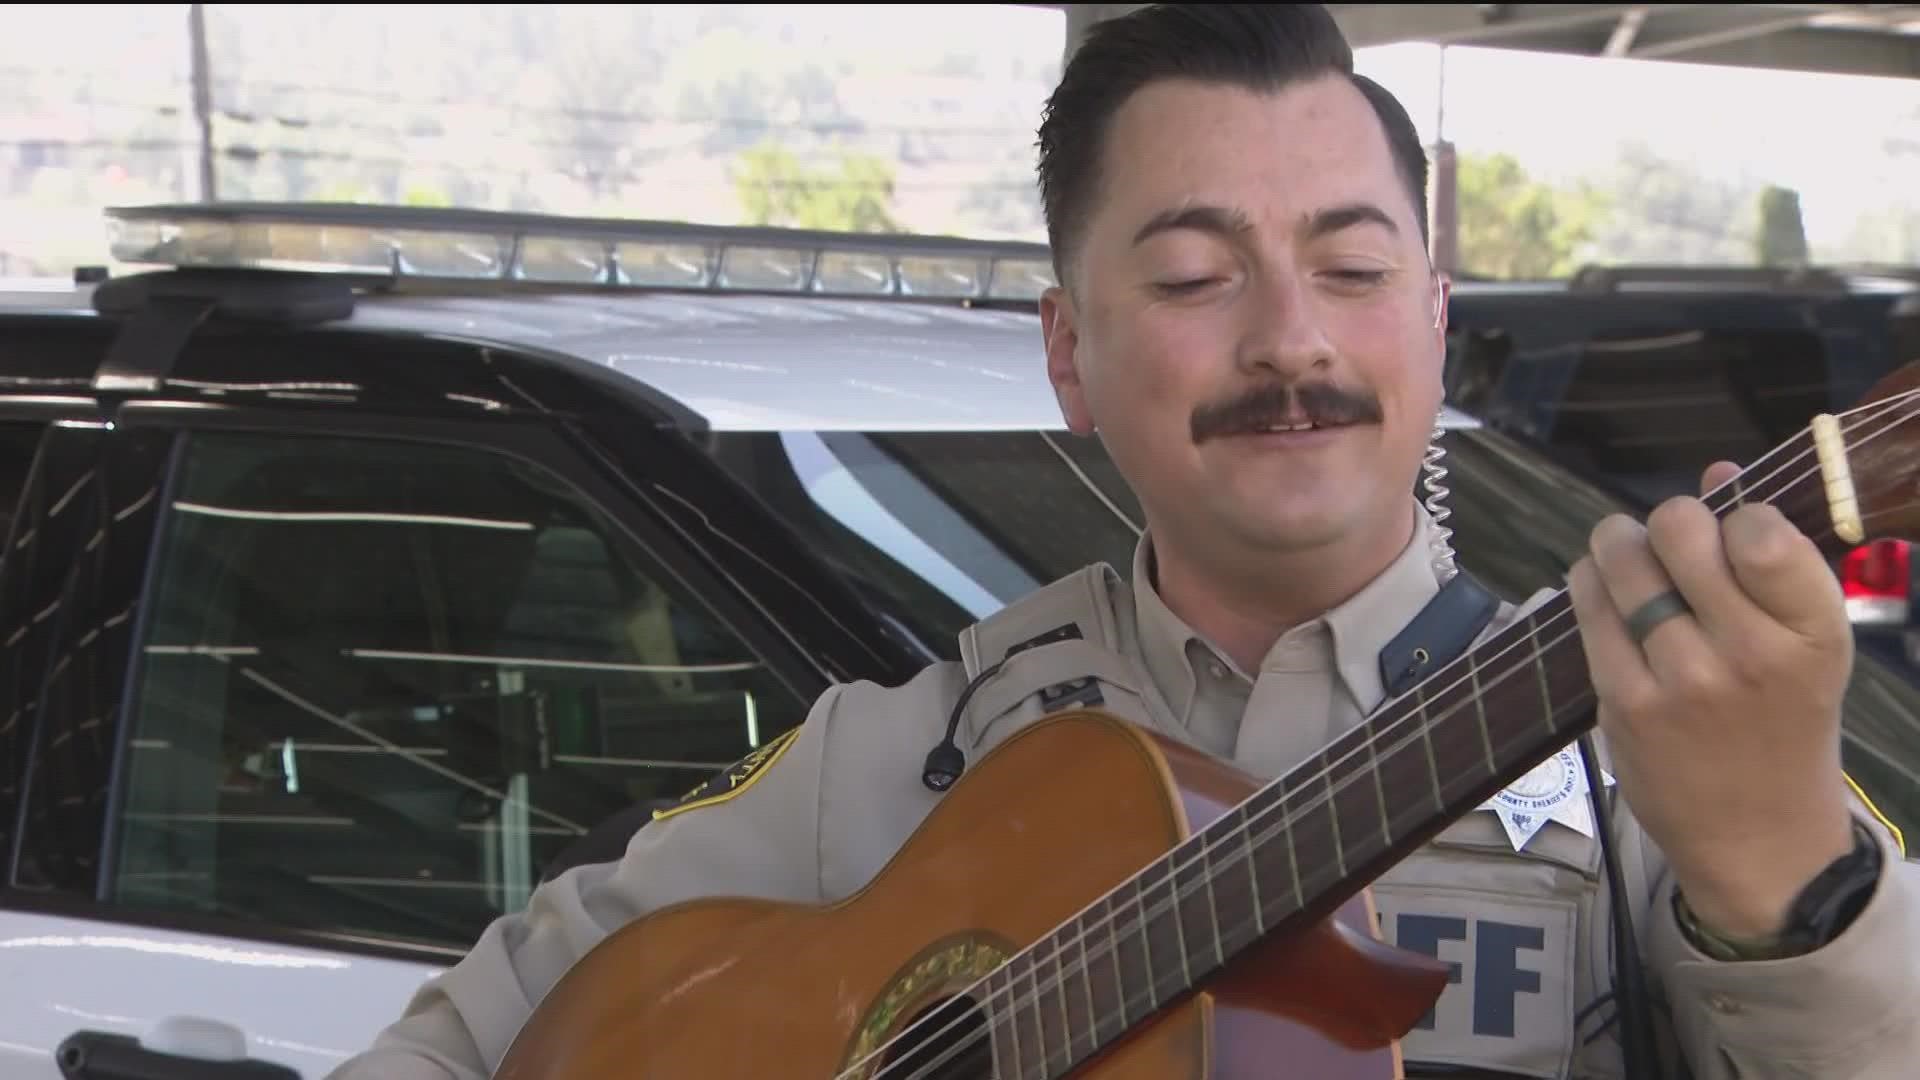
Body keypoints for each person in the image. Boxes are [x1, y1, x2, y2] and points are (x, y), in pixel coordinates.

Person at [329, 5, 1918, 1078]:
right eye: (1189, 275)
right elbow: (467, 1041)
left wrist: (1782, 870)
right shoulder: (916, 755)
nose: (1292, 340)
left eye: (1355, 268)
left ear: (1439, 328)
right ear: (1070, 354)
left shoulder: (1655, 744)